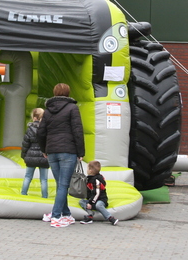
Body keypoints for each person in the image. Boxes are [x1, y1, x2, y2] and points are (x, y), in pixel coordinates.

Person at [37, 83, 85, 228]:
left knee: (61, 185)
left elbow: (40, 132)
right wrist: (81, 152)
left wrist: (44, 149)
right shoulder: (72, 108)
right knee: (64, 185)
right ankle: (56, 216)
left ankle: (67, 214)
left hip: (52, 151)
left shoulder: (47, 110)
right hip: (68, 150)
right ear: (68, 93)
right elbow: (78, 131)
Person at [79, 160, 118, 225]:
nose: (87, 170)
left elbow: (97, 193)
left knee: (98, 205)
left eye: (88, 168)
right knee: (81, 201)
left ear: (91, 170)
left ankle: (110, 218)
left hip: (101, 199)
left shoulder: (97, 180)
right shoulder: (89, 178)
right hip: (92, 200)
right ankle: (90, 215)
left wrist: (90, 203)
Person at [20, 108, 49, 198]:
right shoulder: (47, 129)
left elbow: (25, 144)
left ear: (34, 117)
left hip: (31, 156)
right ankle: (44, 196)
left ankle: (23, 194)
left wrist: (24, 156)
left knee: (28, 177)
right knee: (44, 179)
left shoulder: (30, 129)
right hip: (44, 157)